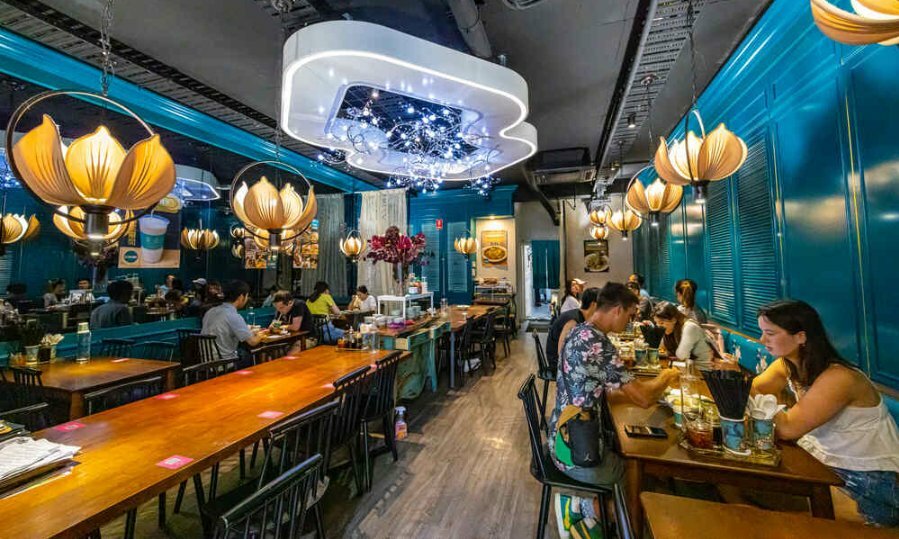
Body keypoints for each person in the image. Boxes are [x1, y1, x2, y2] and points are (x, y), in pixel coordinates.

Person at [751, 299, 899, 527]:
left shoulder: (840, 378)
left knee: (756, 506)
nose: (763, 340)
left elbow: (788, 428)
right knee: (744, 491)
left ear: (801, 337)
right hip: (821, 466)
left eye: (770, 333)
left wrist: (764, 405)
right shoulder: (788, 365)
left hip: (866, 484)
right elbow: (751, 390)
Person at [550, 283, 680, 537]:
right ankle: (587, 512)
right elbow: (642, 399)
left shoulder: (581, 331)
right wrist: (667, 376)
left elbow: (601, 390)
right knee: (634, 475)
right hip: (575, 451)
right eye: (630, 316)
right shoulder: (597, 343)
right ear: (618, 310)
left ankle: (588, 510)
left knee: (634, 460)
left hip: (563, 434)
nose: (630, 322)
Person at [202, 280, 266, 367]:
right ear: (241, 297)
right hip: (225, 364)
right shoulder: (233, 315)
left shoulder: (210, 311)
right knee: (252, 355)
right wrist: (262, 334)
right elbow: (252, 342)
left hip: (205, 363)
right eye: (247, 296)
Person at [545, 287, 601, 372]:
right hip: (557, 363)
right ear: (594, 304)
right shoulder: (572, 321)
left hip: (565, 359)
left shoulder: (579, 315)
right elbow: (561, 351)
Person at [652, 301, 716, 371]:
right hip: (686, 369)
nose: (658, 326)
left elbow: (682, 356)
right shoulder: (671, 328)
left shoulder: (690, 327)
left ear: (673, 320)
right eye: (656, 323)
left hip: (703, 373)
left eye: (661, 323)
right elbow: (660, 348)